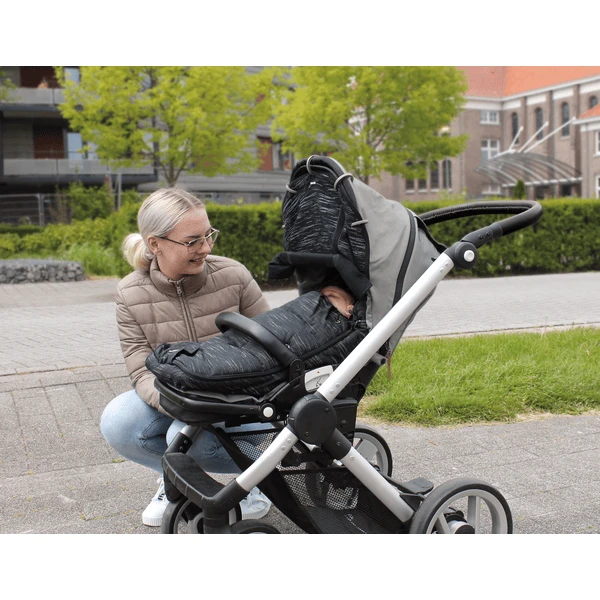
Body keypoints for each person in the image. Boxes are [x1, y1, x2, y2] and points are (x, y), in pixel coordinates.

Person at [100, 188, 272, 527]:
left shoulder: (233, 276)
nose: (206, 248)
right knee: (118, 421)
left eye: (208, 235)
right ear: (156, 244)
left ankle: (259, 482)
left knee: (183, 438)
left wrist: (219, 400)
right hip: (179, 400)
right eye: (192, 241)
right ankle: (174, 480)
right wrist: (184, 405)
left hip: (242, 404)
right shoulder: (130, 293)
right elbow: (140, 368)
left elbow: (271, 340)